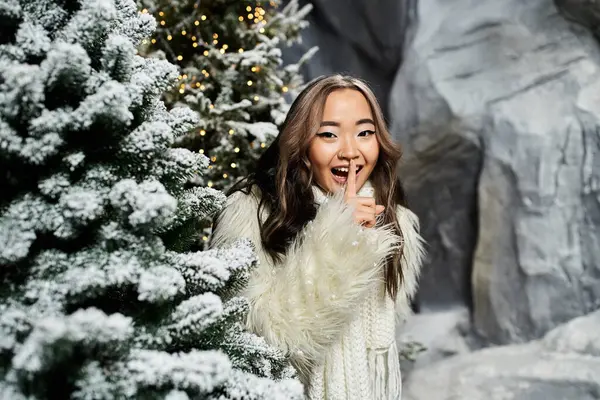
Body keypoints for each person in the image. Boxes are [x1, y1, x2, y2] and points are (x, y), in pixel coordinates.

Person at [210, 74, 425, 400]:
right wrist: (339, 233)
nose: (350, 151)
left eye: (365, 133)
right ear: (303, 144)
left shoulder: (395, 223)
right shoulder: (253, 215)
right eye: (328, 134)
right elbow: (264, 342)